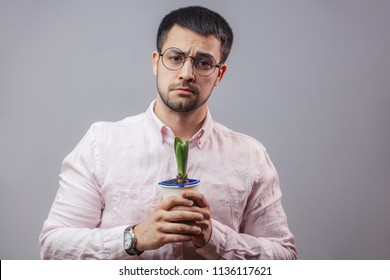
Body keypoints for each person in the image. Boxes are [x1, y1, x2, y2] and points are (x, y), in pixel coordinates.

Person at [39, 6, 297, 260]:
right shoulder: (102, 143)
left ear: (219, 74)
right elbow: (53, 246)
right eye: (175, 57)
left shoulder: (250, 156)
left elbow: (285, 257)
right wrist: (135, 237)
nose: (186, 74)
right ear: (156, 62)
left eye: (203, 63)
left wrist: (213, 238)